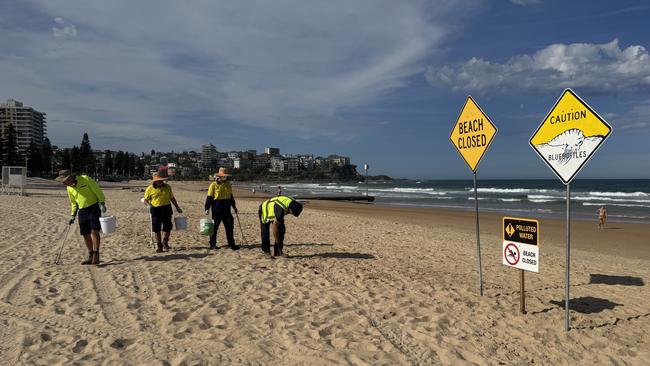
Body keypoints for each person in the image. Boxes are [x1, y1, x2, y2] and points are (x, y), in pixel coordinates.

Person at [55, 170, 107, 265]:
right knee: (85, 234)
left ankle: (96, 255)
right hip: (82, 211)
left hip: (94, 208)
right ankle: (91, 255)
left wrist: (102, 203)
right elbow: (74, 203)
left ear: (70, 177)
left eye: (64, 180)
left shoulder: (85, 179)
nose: (63, 183)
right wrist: (72, 215)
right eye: (62, 181)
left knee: (94, 231)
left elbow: (97, 191)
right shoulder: (69, 188)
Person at [143, 172, 183, 252]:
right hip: (155, 209)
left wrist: (177, 207)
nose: (160, 182)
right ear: (154, 181)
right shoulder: (150, 188)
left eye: (161, 180)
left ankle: (165, 241)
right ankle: (159, 246)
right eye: (158, 180)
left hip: (166, 208)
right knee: (156, 229)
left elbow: (172, 198)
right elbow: (145, 199)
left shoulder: (167, 187)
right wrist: (148, 205)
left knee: (168, 227)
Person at [204, 168, 240, 250]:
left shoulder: (228, 184)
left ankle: (231, 244)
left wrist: (234, 207)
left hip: (227, 209)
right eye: (223, 177)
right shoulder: (213, 185)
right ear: (218, 177)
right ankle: (212, 244)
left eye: (225, 177)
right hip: (217, 210)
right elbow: (209, 198)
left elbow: (231, 197)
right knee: (214, 228)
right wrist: (207, 208)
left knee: (230, 227)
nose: (224, 178)